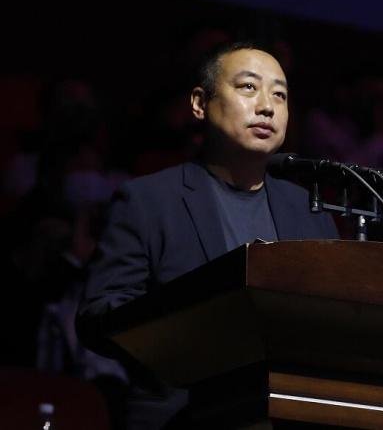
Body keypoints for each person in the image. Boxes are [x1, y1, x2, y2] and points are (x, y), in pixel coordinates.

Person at [76, 42, 339, 429]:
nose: (267, 106)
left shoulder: (309, 211)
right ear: (200, 104)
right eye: (248, 87)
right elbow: (98, 316)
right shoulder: (149, 200)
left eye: (280, 95)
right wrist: (193, 333)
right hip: (184, 416)